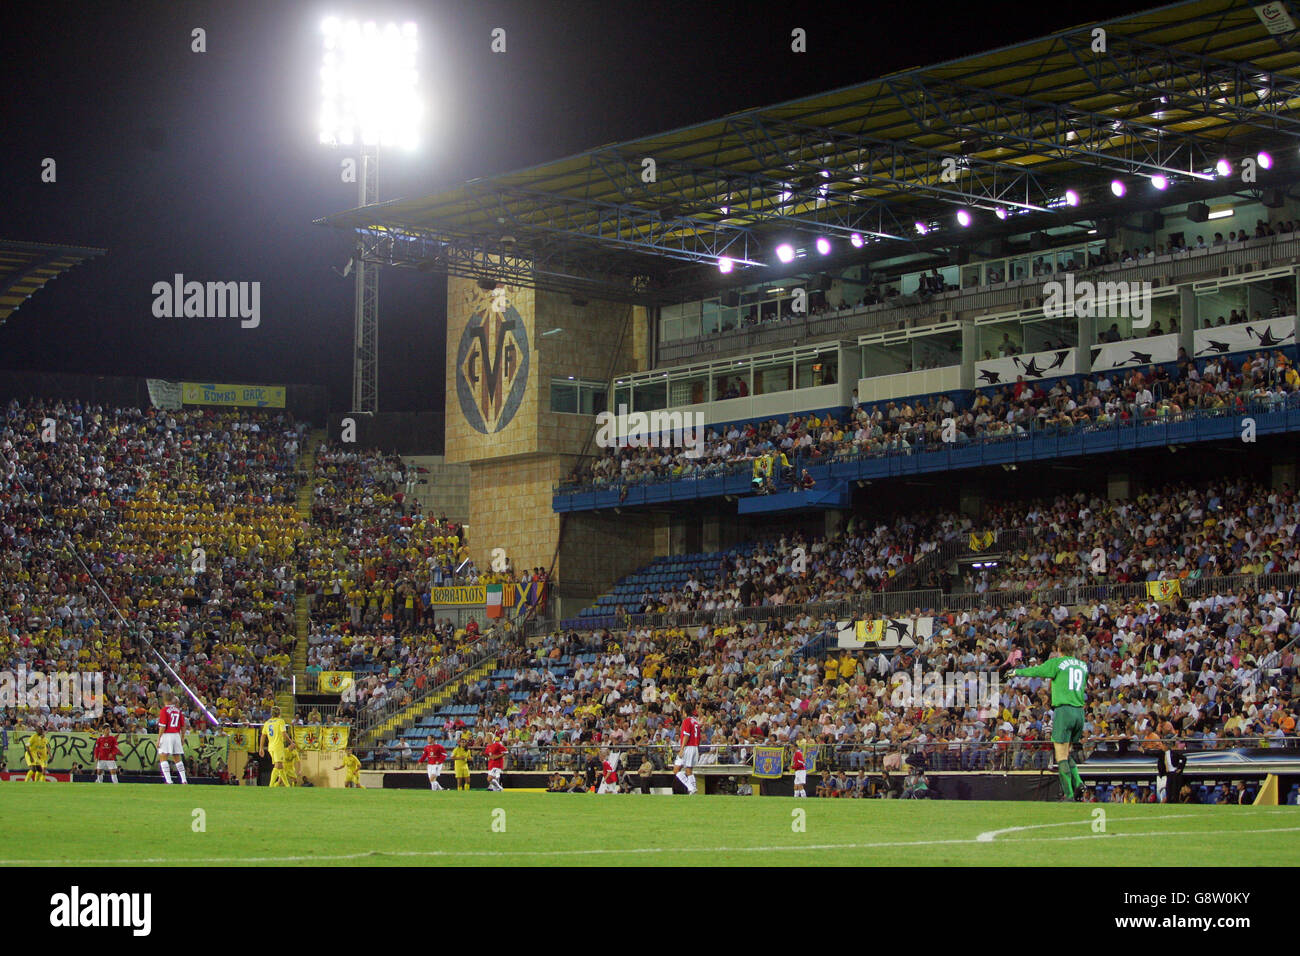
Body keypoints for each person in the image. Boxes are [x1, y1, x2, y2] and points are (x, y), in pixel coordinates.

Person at [1007, 633, 1089, 800]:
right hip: (1079, 712)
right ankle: (1079, 782)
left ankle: (1069, 795)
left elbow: (1037, 670)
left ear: (1059, 649)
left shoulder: (1057, 663)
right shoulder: (1083, 665)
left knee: (1060, 755)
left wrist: (1016, 672)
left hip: (1064, 710)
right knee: (1067, 752)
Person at [259, 704, 294, 788]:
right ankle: (271, 785)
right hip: (278, 746)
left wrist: (261, 748)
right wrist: (291, 742)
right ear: (279, 713)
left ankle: (287, 785)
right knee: (277, 765)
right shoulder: (280, 721)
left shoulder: (267, 723)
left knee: (280, 766)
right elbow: (284, 733)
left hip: (271, 746)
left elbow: (263, 735)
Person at [157, 692, 189, 784]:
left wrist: (159, 739)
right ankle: (184, 780)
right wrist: (182, 737)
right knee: (177, 758)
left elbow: (162, 726)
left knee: (163, 756)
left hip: (167, 735)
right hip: (176, 735)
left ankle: (168, 780)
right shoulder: (178, 710)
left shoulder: (164, 710)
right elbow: (183, 726)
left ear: (164, 700)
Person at [674, 706, 701, 795]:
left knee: (685, 770)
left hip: (688, 747)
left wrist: (682, 748)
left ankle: (691, 788)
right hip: (695, 747)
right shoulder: (696, 721)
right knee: (682, 769)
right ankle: (692, 788)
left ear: (685, 712)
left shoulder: (687, 721)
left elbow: (686, 735)